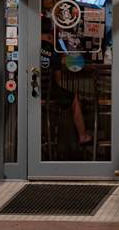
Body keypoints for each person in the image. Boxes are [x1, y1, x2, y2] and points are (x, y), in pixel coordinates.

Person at [41, 17, 92, 146]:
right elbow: (58, 77)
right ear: (50, 32)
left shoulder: (28, 47)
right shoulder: (53, 51)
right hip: (48, 93)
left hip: (31, 93)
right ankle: (83, 136)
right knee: (74, 99)